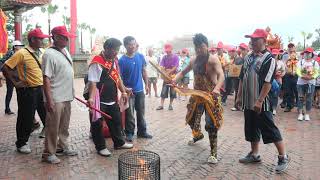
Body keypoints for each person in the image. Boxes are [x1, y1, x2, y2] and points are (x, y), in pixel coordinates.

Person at [236, 29, 290, 174]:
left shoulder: (269, 59)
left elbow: (267, 82)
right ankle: (255, 154)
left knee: (269, 128)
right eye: (251, 40)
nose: (252, 42)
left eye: (256, 40)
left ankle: (283, 156)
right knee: (252, 127)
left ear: (264, 41)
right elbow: (242, 77)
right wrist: (239, 96)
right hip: (248, 100)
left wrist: (259, 101)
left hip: (262, 102)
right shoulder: (248, 57)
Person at [173, 33, 224, 164]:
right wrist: (174, 81)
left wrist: (217, 88)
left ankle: (213, 153)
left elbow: (221, 75)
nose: (199, 50)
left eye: (201, 47)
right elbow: (182, 72)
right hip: (196, 95)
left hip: (210, 96)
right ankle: (198, 135)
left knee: (210, 124)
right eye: (197, 47)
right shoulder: (193, 60)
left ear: (206, 46)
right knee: (190, 120)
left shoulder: (213, 59)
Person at [1, 28, 49, 153]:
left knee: (46, 113)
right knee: (26, 116)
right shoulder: (22, 53)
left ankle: (50, 137)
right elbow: (6, 67)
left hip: (41, 88)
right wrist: (16, 82)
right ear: (33, 39)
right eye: (40, 39)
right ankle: (22, 142)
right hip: (27, 90)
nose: (42, 41)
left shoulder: (43, 51)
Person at [87, 38, 133, 157]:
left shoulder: (114, 60)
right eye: (114, 50)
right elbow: (93, 82)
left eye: (118, 50)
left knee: (116, 121)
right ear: (107, 49)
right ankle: (101, 147)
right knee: (97, 124)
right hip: (98, 99)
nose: (116, 52)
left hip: (112, 98)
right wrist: (91, 99)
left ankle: (119, 143)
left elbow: (118, 79)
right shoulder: (97, 62)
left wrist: (123, 92)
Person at [41, 26, 78, 163]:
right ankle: (48, 153)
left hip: (66, 95)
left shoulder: (65, 51)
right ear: (55, 37)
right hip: (55, 97)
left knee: (64, 125)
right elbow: (46, 78)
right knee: (53, 126)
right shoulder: (49, 54)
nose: (67, 39)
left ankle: (62, 146)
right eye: (63, 37)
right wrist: (49, 100)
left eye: (67, 37)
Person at [118, 36, 152, 142]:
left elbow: (144, 71)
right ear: (125, 46)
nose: (132, 46)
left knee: (141, 112)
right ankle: (129, 133)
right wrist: (124, 90)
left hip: (140, 90)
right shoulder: (122, 61)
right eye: (130, 44)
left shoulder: (140, 56)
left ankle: (142, 131)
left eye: (134, 43)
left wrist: (146, 85)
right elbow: (119, 78)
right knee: (130, 114)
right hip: (129, 92)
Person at [1, 40, 25, 115]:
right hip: (10, 76)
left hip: (16, 75)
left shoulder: (18, 53)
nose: (21, 48)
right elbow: (2, 62)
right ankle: (7, 109)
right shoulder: (10, 53)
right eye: (19, 46)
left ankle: (19, 109)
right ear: (15, 47)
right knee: (10, 92)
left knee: (17, 92)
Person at [296, 47, 319, 121]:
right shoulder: (300, 62)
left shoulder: (315, 63)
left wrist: (312, 77)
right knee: (300, 98)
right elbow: (298, 71)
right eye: (306, 52)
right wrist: (302, 76)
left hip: (311, 83)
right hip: (301, 83)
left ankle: (307, 114)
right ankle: (300, 113)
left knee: (309, 99)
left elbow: (317, 72)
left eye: (309, 53)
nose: (307, 54)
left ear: (312, 54)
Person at [156, 44, 179, 110]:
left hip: (173, 77)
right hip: (166, 77)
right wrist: (163, 70)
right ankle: (161, 105)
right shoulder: (164, 57)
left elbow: (175, 67)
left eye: (169, 51)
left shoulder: (175, 57)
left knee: (172, 92)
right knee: (164, 91)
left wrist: (168, 71)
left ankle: (170, 105)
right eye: (166, 51)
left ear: (171, 49)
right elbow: (161, 66)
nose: (167, 52)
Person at [230, 43, 248, 111]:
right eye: (241, 49)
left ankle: (243, 106)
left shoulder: (248, 58)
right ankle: (236, 105)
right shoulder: (238, 58)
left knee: (245, 91)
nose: (242, 51)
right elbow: (234, 66)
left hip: (245, 78)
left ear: (246, 50)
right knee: (237, 91)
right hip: (236, 77)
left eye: (243, 49)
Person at [282, 43, 299, 112]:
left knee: (297, 91)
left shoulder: (298, 56)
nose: (291, 48)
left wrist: (295, 71)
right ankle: (289, 106)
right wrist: (288, 70)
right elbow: (283, 65)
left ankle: (299, 106)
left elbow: (299, 65)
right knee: (288, 91)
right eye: (289, 47)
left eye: (292, 47)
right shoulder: (285, 56)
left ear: (294, 47)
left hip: (296, 75)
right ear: (288, 48)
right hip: (287, 75)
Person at [270, 49, 286, 115]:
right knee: (269, 94)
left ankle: (274, 108)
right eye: (273, 54)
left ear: (278, 55)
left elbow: (284, 71)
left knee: (275, 95)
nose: (274, 55)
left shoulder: (281, 62)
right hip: (270, 80)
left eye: (275, 54)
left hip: (278, 80)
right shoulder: (269, 61)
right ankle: (270, 107)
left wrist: (280, 75)